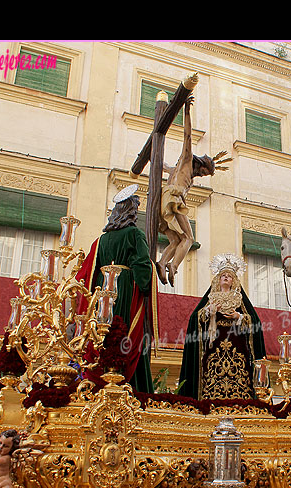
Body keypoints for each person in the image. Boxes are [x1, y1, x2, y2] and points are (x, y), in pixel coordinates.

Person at [76, 184, 157, 393]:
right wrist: (149, 276)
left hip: (102, 295)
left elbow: (88, 274)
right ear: (130, 211)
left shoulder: (101, 240)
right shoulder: (135, 234)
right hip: (125, 292)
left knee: (103, 336)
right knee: (127, 335)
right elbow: (142, 269)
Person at [156, 94, 231, 286]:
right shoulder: (187, 160)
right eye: (206, 173)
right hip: (174, 197)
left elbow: (162, 165)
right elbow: (187, 136)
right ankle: (173, 267)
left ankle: (163, 262)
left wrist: (152, 155)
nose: (204, 176)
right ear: (203, 166)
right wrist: (187, 111)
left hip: (165, 198)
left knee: (175, 240)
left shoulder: (176, 168)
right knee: (189, 238)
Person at [177, 253, 266, 400]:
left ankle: (240, 400)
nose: (225, 277)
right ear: (218, 279)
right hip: (214, 345)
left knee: (239, 372)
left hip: (237, 345)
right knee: (211, 370)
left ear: (233, 281)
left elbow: (254, 322)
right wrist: (209, 311)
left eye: (229, 276)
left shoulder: (240, 299)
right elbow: (196, 318)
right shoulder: (211, 298)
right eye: (223, 275)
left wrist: (239, 317)